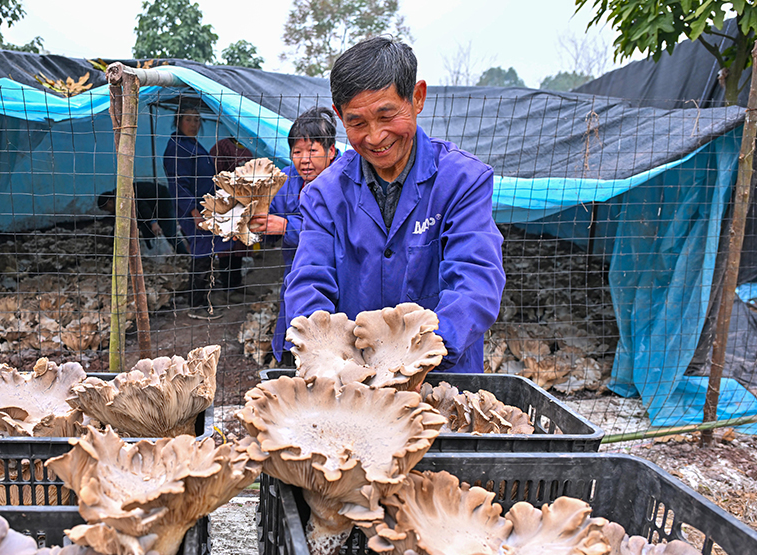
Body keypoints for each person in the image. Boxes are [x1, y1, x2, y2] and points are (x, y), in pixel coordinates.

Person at [283, 37, 505, 372]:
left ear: (417, 97)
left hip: (441, 375)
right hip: (352, 381)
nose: (374, 137)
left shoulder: (463, 180)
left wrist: (419, 355)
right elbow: (308, 280)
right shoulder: (324, 194)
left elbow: (475, 283)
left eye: (387, 115)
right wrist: (328, 355)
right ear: (339, 116)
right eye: (357, 123)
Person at [249, 107, 339, 363]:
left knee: (331, 336)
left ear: (331, 151)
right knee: (292, 328)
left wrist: (288, 227)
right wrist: (254, 224)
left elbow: (335, 229)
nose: (304, 160)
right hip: (295, 270)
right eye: (297, 152)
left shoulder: (345, 178)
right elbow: (271, 215)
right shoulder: (287, 178)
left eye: (312, 151)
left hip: (337, 273)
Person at [163, 101, 237, 316]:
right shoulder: (177, 147)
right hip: (194, 211)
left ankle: (204, 299)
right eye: (188, 119)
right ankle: (196, 305)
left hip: (206, 208)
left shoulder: (192, 144)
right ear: (178, 121)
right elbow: (178, 184)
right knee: (201, 254)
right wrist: (194, 212)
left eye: (197, 120)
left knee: (206, 253)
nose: (193, 124)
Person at [97, 183, 188, 254]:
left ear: (109, 202)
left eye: (106, 209)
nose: (108, 212)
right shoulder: (119, 199)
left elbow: (142, 206)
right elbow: (120, 220)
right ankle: (154, 254)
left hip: (163, 201)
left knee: (169, 231)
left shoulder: (123, 197)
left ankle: (184, 254)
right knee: (146, 230)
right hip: (151, 207)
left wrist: (153, 223)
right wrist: (112, 236)